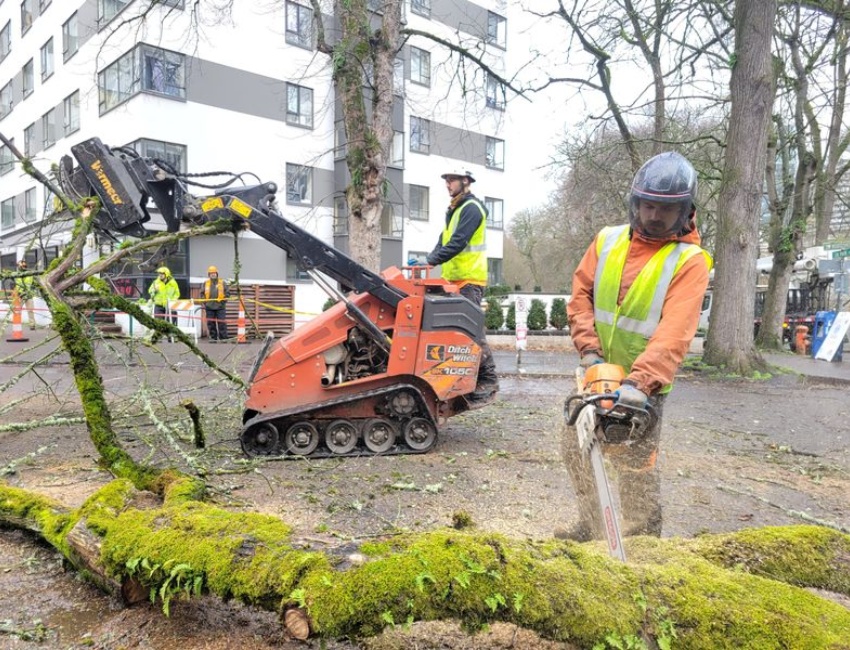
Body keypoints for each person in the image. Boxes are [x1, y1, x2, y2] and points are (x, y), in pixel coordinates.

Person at [560, 151, 712, 541]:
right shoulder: (607, 240)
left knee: (635, 467)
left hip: (643, 387)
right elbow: (581, 296)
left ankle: (643, 542)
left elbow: (675, 332)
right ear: (636, 203)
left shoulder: (690, 261)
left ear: (684, 211)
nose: (654, 215)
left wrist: (640, 384)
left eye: (665, 209)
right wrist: (590, 353)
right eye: (648, 206)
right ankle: (592, 527)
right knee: (576, 451)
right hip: (597, 374)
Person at [417, 167, 499, 403]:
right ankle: (461, 379)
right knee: (453, 332)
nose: (447, 184)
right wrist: (426, 261)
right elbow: (443, 241)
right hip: (454, 281)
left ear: (465, 182)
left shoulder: (471, 209)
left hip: (469, 280)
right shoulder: (454, 210)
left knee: (470, 331)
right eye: (446, 180)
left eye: (451, 180)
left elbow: (458, 243)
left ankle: (488, 379)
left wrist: (430, 261)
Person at [202, 265, 230, 342]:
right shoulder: (205, 283)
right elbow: (202, 294)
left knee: (222, 322)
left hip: (220, 307)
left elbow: (227, 293)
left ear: (217, 273)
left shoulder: (222, 283)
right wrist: (205, 303)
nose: (213, 274)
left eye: (214, 273)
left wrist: (223, 302)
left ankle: (223, 338)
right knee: (211, 323)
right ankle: (213, 338)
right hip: (209, 307)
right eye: (211, 273)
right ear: (209, 275)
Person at [14, 259, 37, 330]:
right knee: (17, 310)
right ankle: (17, 324)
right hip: (20, 295)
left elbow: (33, 284)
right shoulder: (16, 274)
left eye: (24, 265)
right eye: (21, 265)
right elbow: (16, 285)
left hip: (28, 295)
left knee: (30, 310)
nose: (23, 266)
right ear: (18, 266)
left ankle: (32, 325)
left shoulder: (30, 274)